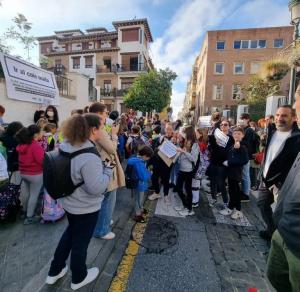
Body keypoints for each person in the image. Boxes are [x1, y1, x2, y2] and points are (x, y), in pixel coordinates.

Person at [46, 114, 113, 290]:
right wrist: (108, 172)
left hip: (69, 203)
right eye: (102, 126)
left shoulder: (67, 145)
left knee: (69, 235)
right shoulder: (89, 156)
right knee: (80, 242)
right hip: (85, 207)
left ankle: (55, 271)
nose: (104, 129)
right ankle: (79, 277)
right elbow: (97, 188)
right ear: (93, 130)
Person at [266, 86, 300, 292]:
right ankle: (269, 229)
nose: (295, 105)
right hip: (284, 224)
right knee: (275, 277)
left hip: (296, 240)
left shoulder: (296, 138)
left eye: (297, 100)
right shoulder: (272, 132)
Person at [257, 105, 300, 241]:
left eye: (284, 116)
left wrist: (282, 183)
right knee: (262, 204)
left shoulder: (297, 138)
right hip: (265, 179)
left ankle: (280, 240)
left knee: (281, 213)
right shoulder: (272, 130)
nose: (279, 119)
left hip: (282, 184)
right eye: (277, 115)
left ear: (294, 118)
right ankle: (272, 231)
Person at [89, 102, 125, 240]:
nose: (107, 115)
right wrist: (114, 135)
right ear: (98, 114)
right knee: (109, 196)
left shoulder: (95, 127)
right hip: (106, 165)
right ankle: (102, 230)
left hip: (103, 164)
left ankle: (104, 220)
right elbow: (112, 148)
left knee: (106, 197)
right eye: (105, 113)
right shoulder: (98, 129)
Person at [15, 125, 44, 224]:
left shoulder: (22, 145)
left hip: (23, 173)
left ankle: (24, 212)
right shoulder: (35, 145)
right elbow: (41, 161)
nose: (42, 133)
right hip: (35, 174)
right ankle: (29, 217)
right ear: (36, 134)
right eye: (41, 132)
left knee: (26, 194)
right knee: (34, 195)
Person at [220, 127, 248, 220]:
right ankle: (230, 208)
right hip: (231, 173)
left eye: (239, 134)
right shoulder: (234, 144)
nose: (236, 135)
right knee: (231, 191)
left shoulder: (242, 146)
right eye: (235, 133)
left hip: (236, 174)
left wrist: (230, 162)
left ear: (243, 135)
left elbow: (244, 160)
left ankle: (239, 211)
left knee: (236, 192)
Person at [207, 119, 234, 207]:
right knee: (212, 182)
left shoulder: (231, 138)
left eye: (225, 125)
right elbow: (210, 148)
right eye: (221, 125)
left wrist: (221, 146)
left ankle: (226, 202)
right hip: (213, 162)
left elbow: (229, 152)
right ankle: (214, 198)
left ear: (229, 126)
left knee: (221, 183)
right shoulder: (215, 136)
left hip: (222, 164)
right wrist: (214, 143)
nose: (223, 126)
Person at [174, 125, 199, 216]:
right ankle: (185, 204)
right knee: (178, 188)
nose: (182, 133)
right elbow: (180, 155)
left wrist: (184, 152)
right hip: (181, 169)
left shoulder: (195, 144)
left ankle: (189, 209)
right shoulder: (184, 142)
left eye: (184, 131)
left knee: (188, 190)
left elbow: (193, 159)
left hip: (188, 171)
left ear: (189, 133)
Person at [148, 123, 175, 204]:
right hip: (158, 161)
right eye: (167, 129)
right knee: (154, 177)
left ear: (172, 130)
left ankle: (166, 196)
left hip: (167, 163)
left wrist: (174, 143)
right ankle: (156, 193)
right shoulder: (161, 138)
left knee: (165, 180)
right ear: (165, 129)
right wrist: (158, 147)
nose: (168, 131)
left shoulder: (175, 139)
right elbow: (154, 149)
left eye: (170, 129)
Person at [127, 145, 153, 222]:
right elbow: (143, 177)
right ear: (145, 156)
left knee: (139, 199)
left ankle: (141, 209)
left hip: (136, 183)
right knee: (138, 199)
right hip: (139, 185)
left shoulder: (135, 159)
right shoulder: (139, 163)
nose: (148, 159)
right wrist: (150, 173)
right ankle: (138, 214)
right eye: (148, 157)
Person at [238, 113, 260, 202]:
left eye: (242, 119)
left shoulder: (249, 131)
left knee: (245, 175)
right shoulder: (244, 129)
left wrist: (240, 141)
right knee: (244, 175)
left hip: (246, 156)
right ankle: (244, 192)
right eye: (240, 118)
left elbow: (249, 145)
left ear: (247, 119)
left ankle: (246, 195)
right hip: (244, 155)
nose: (241, 120)